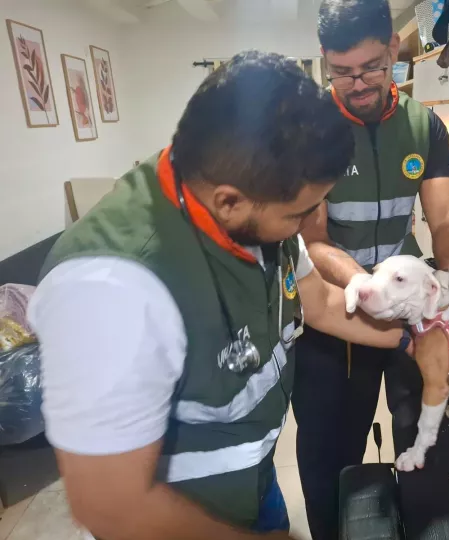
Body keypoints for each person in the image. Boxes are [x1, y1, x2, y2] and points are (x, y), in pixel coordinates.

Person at [28, 51, 414, 540]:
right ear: (229, 201)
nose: (311, 223)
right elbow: (112, 505)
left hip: (253, 482)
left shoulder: (252, 200)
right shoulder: (110, 290)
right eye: (300, 213)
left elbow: (320, 304)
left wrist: (415, 335)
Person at [292, 2, 449, 539]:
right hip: (337, 314)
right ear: (325, 60)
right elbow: (313, 238)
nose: (357, 84)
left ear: (394, 49)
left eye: (371, 68)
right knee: (330, 458)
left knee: (424, 436)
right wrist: (362, 282)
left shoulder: (424, 126)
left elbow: (448, 216)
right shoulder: (309, 132)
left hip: (410, 309)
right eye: (342, 72)